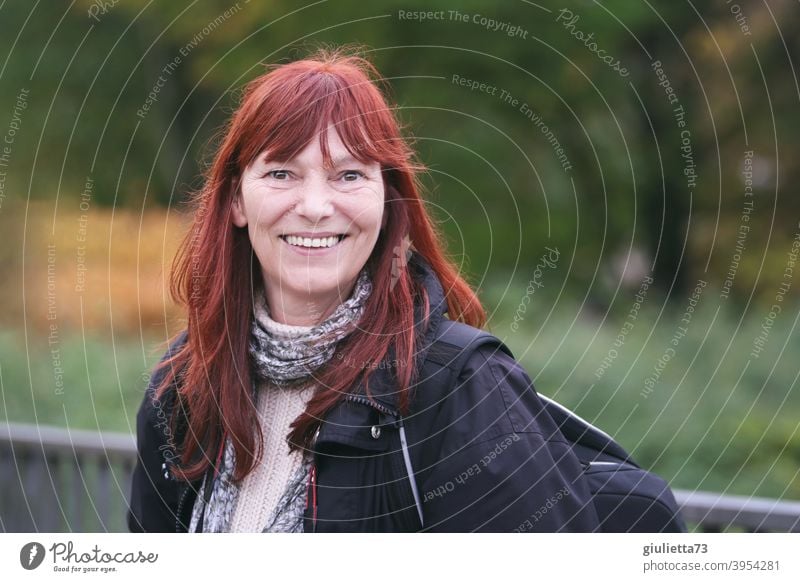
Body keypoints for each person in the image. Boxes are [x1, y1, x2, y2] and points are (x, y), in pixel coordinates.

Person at [127, 47, 601, 533]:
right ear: (236, 202)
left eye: (349, 175)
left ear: (387, 200)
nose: (315, 206)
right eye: (281, 173)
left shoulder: (462, 389)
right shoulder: (183, 386)